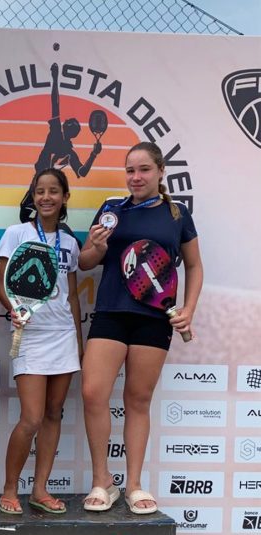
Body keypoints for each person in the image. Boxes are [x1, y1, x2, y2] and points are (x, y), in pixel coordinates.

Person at [79, 141, 203, 514]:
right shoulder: (111, 210)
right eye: (130, 170)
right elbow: (85, 262)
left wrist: (188, 310)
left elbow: (194, 266)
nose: (136, 177)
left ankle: (133, 484)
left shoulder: (178, 214)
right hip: (111, 312)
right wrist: (97, 247)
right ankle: (103, 481)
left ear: (161, 171)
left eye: (144, 169)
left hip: (153, 319)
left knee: (137, 400)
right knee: (93, 393)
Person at [0, 168, 83, 515]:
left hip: (63, 335)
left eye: (53, 191)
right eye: (40, 191)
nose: (46, 197)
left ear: (64, 197)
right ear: (33, 197)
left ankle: (40, 489)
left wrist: (78, 340)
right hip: (30, 334)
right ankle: (9, 488)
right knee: (31, 418)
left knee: (53, 414)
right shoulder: (16, 233)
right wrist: (13, 309)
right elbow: (2, 283)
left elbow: (72, 296)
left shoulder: (70, 243)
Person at [19, 62, 103, 225]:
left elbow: (82, 171)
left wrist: (94, 154)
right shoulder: (56, 132)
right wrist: (55, 79)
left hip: (51, 190)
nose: (70, 127)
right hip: (37, 185)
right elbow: (55, 103)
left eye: (72, 127)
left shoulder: (69, 151)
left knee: (49, 222)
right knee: (26, 219)